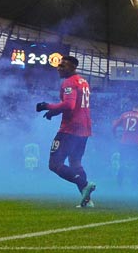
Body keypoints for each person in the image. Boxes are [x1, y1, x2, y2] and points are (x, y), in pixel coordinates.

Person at [35, 55, 96, 208]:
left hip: (70, 129)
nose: (59, 68)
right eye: (59, 65)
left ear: (73, 67)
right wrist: (53, 113)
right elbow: (73, 106)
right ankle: (87, 200)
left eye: (63, 66)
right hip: (85, 128)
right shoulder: (83, 81)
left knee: (54, 164)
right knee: (75, 162)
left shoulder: (69, 82)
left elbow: (69, 105)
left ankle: (84, 183)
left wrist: (47, 106)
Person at [112, 103, 138, 187]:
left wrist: (115, 136)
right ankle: (135, 184)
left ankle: (119, 183)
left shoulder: (124, 115)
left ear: (133, 108)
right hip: (136, 143)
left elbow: (114, 126)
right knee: (137, 163)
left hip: (124, 143)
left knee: (123, 163)